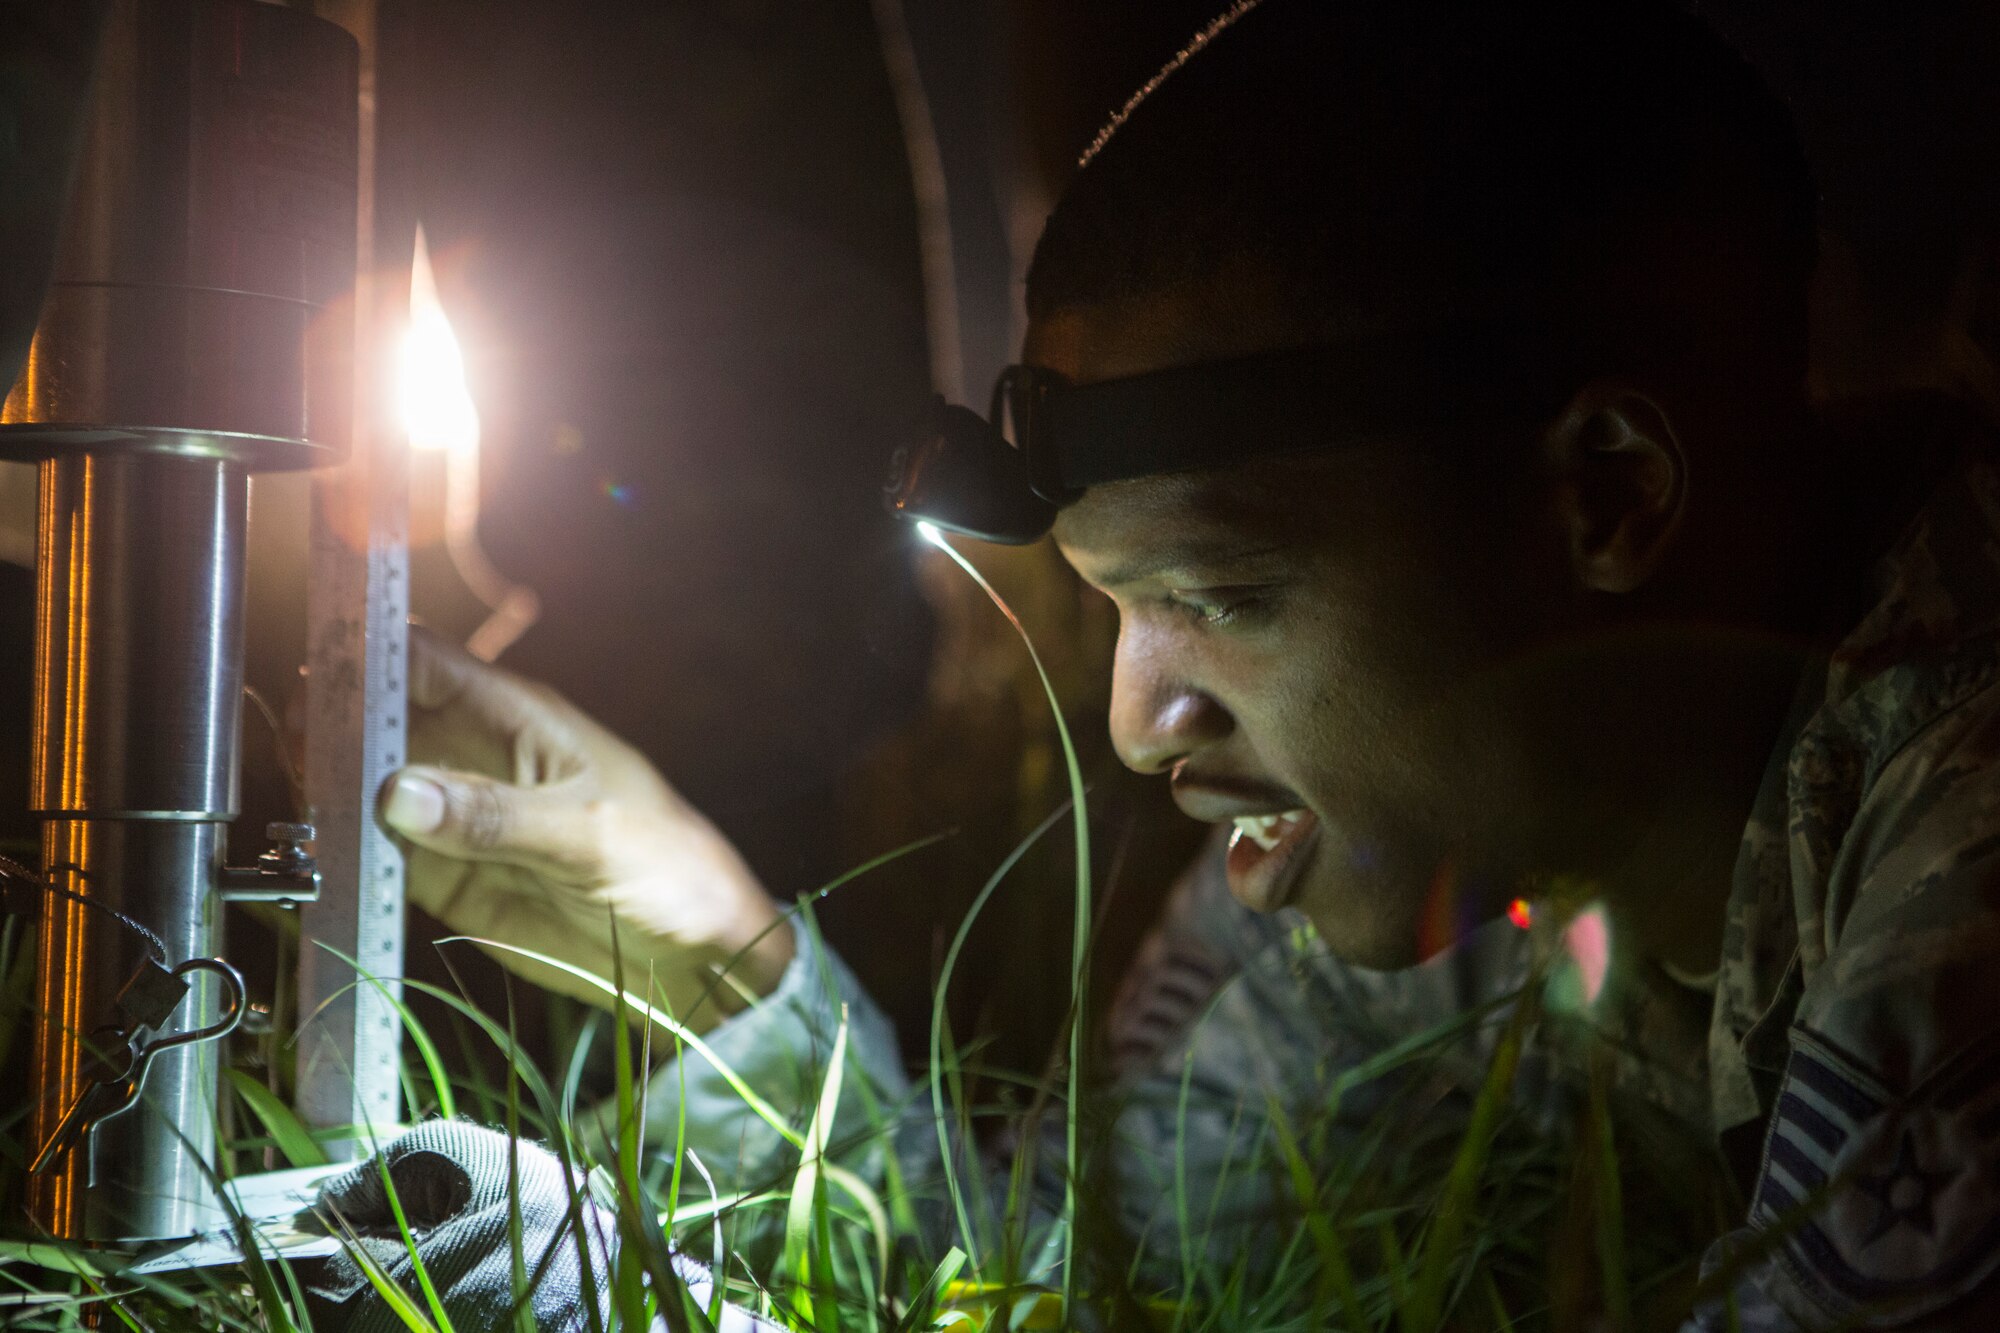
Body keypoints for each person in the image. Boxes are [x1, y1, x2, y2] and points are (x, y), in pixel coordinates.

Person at [362, 0, 2000, 1327]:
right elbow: (1079, 1274)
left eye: (1224, 589)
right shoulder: (1436, 831)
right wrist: (729, 964)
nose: (1142, 721)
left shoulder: (1965, 830)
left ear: (1607, 495)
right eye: (1113, 607)